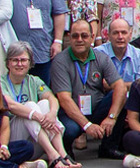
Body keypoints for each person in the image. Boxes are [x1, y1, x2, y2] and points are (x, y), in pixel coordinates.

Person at [51, 19, 127, 156]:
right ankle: (65, 151)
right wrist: (87, 126)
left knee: (120, 97)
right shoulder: (60, 61)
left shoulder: (101, 58)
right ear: (69, 37)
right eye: (75, 36)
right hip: (70, 113)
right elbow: (64, 99)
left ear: (92, 37)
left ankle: (108, 148)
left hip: (96, 108)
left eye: (84, 36)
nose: (79, 39)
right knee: (70, 130)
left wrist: (111, 117)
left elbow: (120, 86)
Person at [0, 41, 78, 168]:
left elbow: (52, 97)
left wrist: (52, 114)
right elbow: (10, 104)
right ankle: (53, 155)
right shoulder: (1, 82)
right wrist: (36, 115)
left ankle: (61, 153)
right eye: (15, 60)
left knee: (46, 103)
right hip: (15, 140)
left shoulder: (34, 81)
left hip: (36, 141)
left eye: (23, 60)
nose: (19, 64)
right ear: (8, 63)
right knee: (29, 106)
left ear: (30, 63)